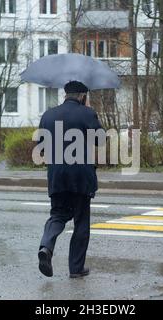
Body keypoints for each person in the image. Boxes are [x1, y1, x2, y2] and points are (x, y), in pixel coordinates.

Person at [37, 81, 103, 279]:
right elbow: (100, 140)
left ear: (66, 95)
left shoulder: (48, 115)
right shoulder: (87, 113)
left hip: (57, 176)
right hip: (81, 176)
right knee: (81, 221)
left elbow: (41, 148)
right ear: (82, 96)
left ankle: (46, 247)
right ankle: (76, 269)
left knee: (57, 215)